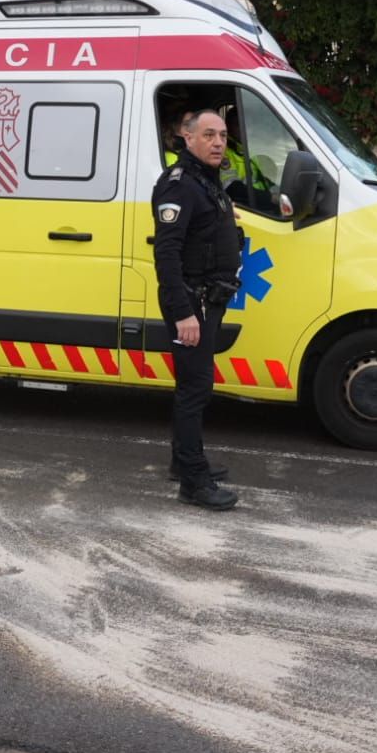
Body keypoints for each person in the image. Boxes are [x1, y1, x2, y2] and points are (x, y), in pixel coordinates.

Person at [151, 109, 243, 511]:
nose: (218, 142)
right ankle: (193, 481)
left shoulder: (206, 181)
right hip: (191, 303)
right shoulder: (180, 185)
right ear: (187, 138)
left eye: (222, 135)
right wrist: (184, 312)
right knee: (195, 389)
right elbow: (166, 253)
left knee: (194, 386)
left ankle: (181, 460)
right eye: (209, 135)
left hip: (207, 298)